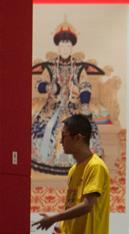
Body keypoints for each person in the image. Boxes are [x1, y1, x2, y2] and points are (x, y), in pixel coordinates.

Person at [31, 21, 105, 175]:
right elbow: (39, 84)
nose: (65, 48)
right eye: (62, 45)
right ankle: (45, 159)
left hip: (74, 107)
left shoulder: (78, 67)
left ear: (72, 47)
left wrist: (83, 99)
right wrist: (49, 87)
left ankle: (81, 161)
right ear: (58, 47)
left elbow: (85, 85)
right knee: (46, 127)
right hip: (53, 107)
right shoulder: (50, 66)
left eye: (68, 45)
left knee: (81, 129)